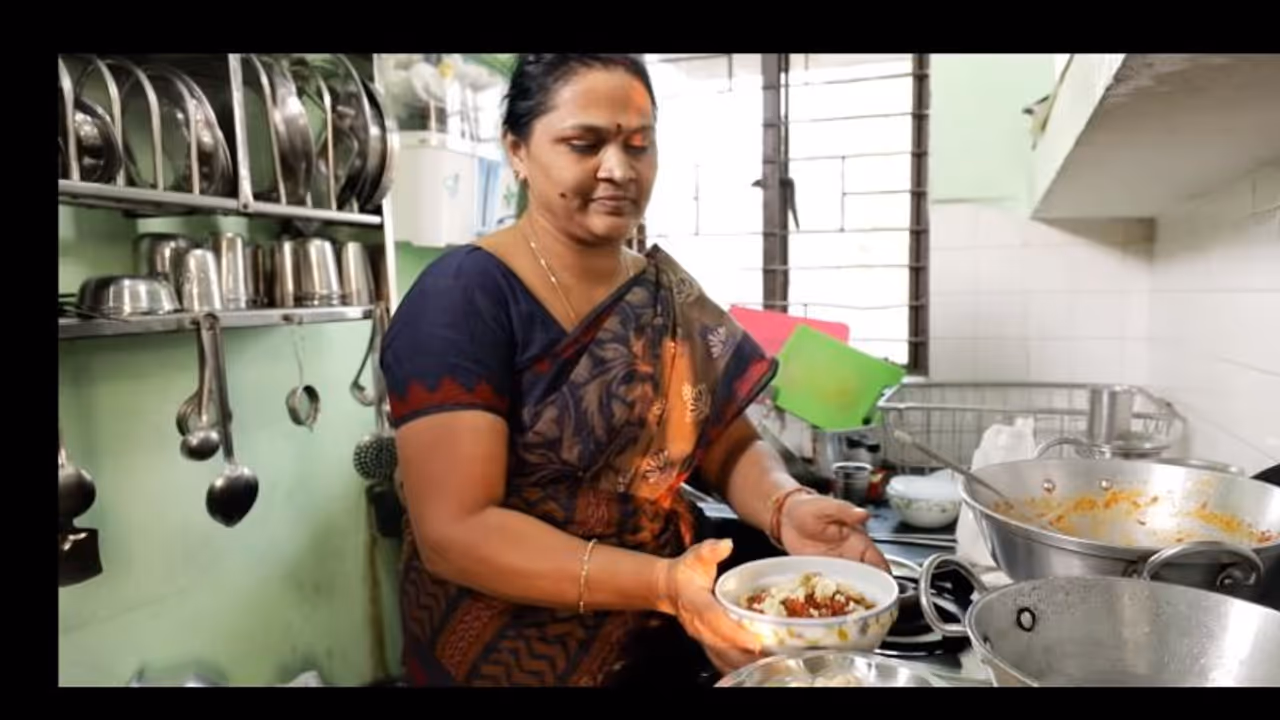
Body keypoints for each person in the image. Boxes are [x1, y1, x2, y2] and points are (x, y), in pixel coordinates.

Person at [380, 53, 889, 688]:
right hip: (504, 658)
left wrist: (783, 505)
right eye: (583, 143)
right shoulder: (465, 296)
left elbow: (726, 442)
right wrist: (664, 584)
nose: (619, 170)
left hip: (657, 643)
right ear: (517, 149)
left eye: (640, 145)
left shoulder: (661, 291)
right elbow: (455, 532)